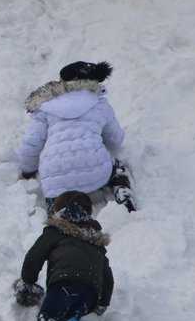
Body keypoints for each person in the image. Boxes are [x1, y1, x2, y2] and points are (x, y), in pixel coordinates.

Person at [18, 61, 135, 214]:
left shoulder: (46, 107)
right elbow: (116, 140)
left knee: (58, 207)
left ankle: (58, 213)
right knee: (117, 167)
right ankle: (123, 194)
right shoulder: (99, 104)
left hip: (56, 181)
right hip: (96, 172)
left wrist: (28, 171)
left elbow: (31, 143)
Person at [13, 191, 112, 321]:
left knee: (48, 319)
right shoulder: (96, 243)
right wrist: (102, 303)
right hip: (89, 295)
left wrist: (28, 281)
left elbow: (34, 257)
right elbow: (108, 278)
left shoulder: (56, 231)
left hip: (66, 284)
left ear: (59, 210)